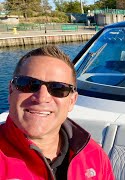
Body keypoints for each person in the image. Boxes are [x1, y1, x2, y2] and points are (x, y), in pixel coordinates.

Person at [0, 45, 115, 180]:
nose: (42, 98)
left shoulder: (94, 156)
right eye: (28, 84)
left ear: (72, 101)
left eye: (58, 88)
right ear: (11, 91)